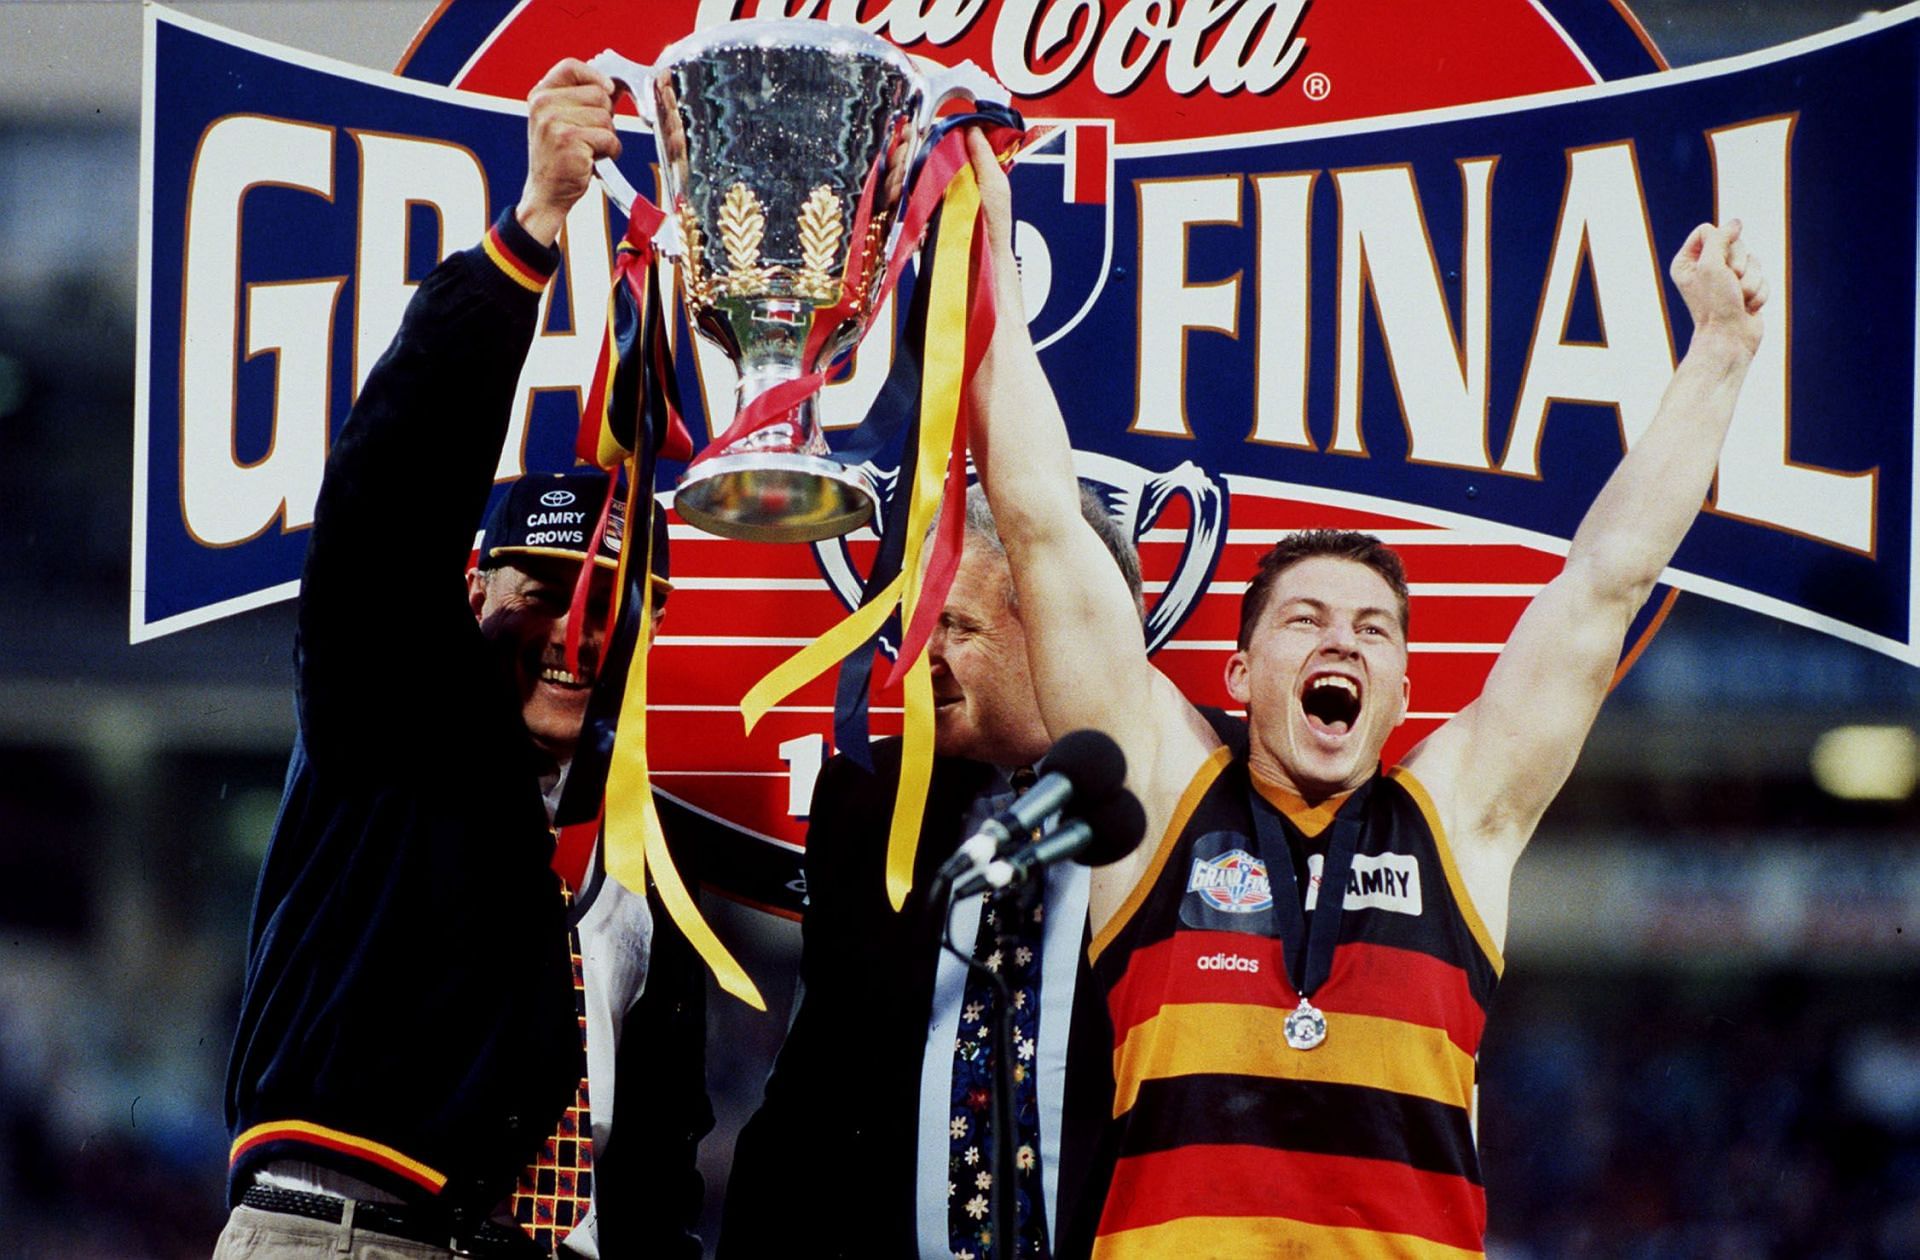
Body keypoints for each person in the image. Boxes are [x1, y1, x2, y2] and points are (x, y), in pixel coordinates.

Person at [960, 127, 1770, 1257]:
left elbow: (1604, 583)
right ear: (1241, 676)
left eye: (1372, 632)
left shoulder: (1463, 821)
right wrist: (982, 253)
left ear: (1399, 691)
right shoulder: (1160, 797)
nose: (1341, 641)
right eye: (1305, 620)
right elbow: (1042, 517)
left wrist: (1723, 353)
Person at [214, 60, 708, 1260]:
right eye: (540, 590)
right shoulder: (390, 709)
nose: (572, 632)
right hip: (345, 1231)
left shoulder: (642, 843)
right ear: (470, 585)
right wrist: (532, 229)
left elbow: (657, 1161)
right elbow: (389, 491)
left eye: (607, 603)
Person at [720, 485, 1235, 1260]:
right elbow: (813, 1091)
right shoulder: (867, 798)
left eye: (953, 625)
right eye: (917, 626)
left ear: (1073, 630)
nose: (919, 658)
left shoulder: (1223, 798)